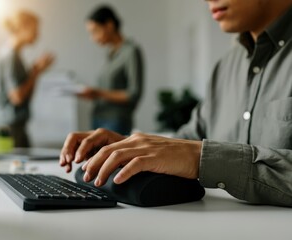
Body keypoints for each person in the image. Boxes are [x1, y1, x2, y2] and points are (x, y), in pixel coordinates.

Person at [60, 0, 292, 207]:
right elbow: (190, 138)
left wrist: (201, 159)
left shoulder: (130, 51)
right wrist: (130, 147)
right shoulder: (225, 67)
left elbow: (196, 153)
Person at [0, 10, 54, 147]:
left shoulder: (14, 55)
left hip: (13, 124)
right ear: (23, 27)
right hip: (7, 126)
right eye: (35, 29)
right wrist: (35, 72)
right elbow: (17, 97)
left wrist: (35, 72)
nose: (37, 34)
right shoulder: (9, 56)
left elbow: (25, 95)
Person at [77, 5, 144, 135]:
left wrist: (98, 93)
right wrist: (92, 94)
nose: (93, 38)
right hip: (98, 118)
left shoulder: (131, 51)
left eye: (95, 31)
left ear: (109, 25)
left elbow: (133, 94)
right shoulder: (110, 53)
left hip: (116, 121)